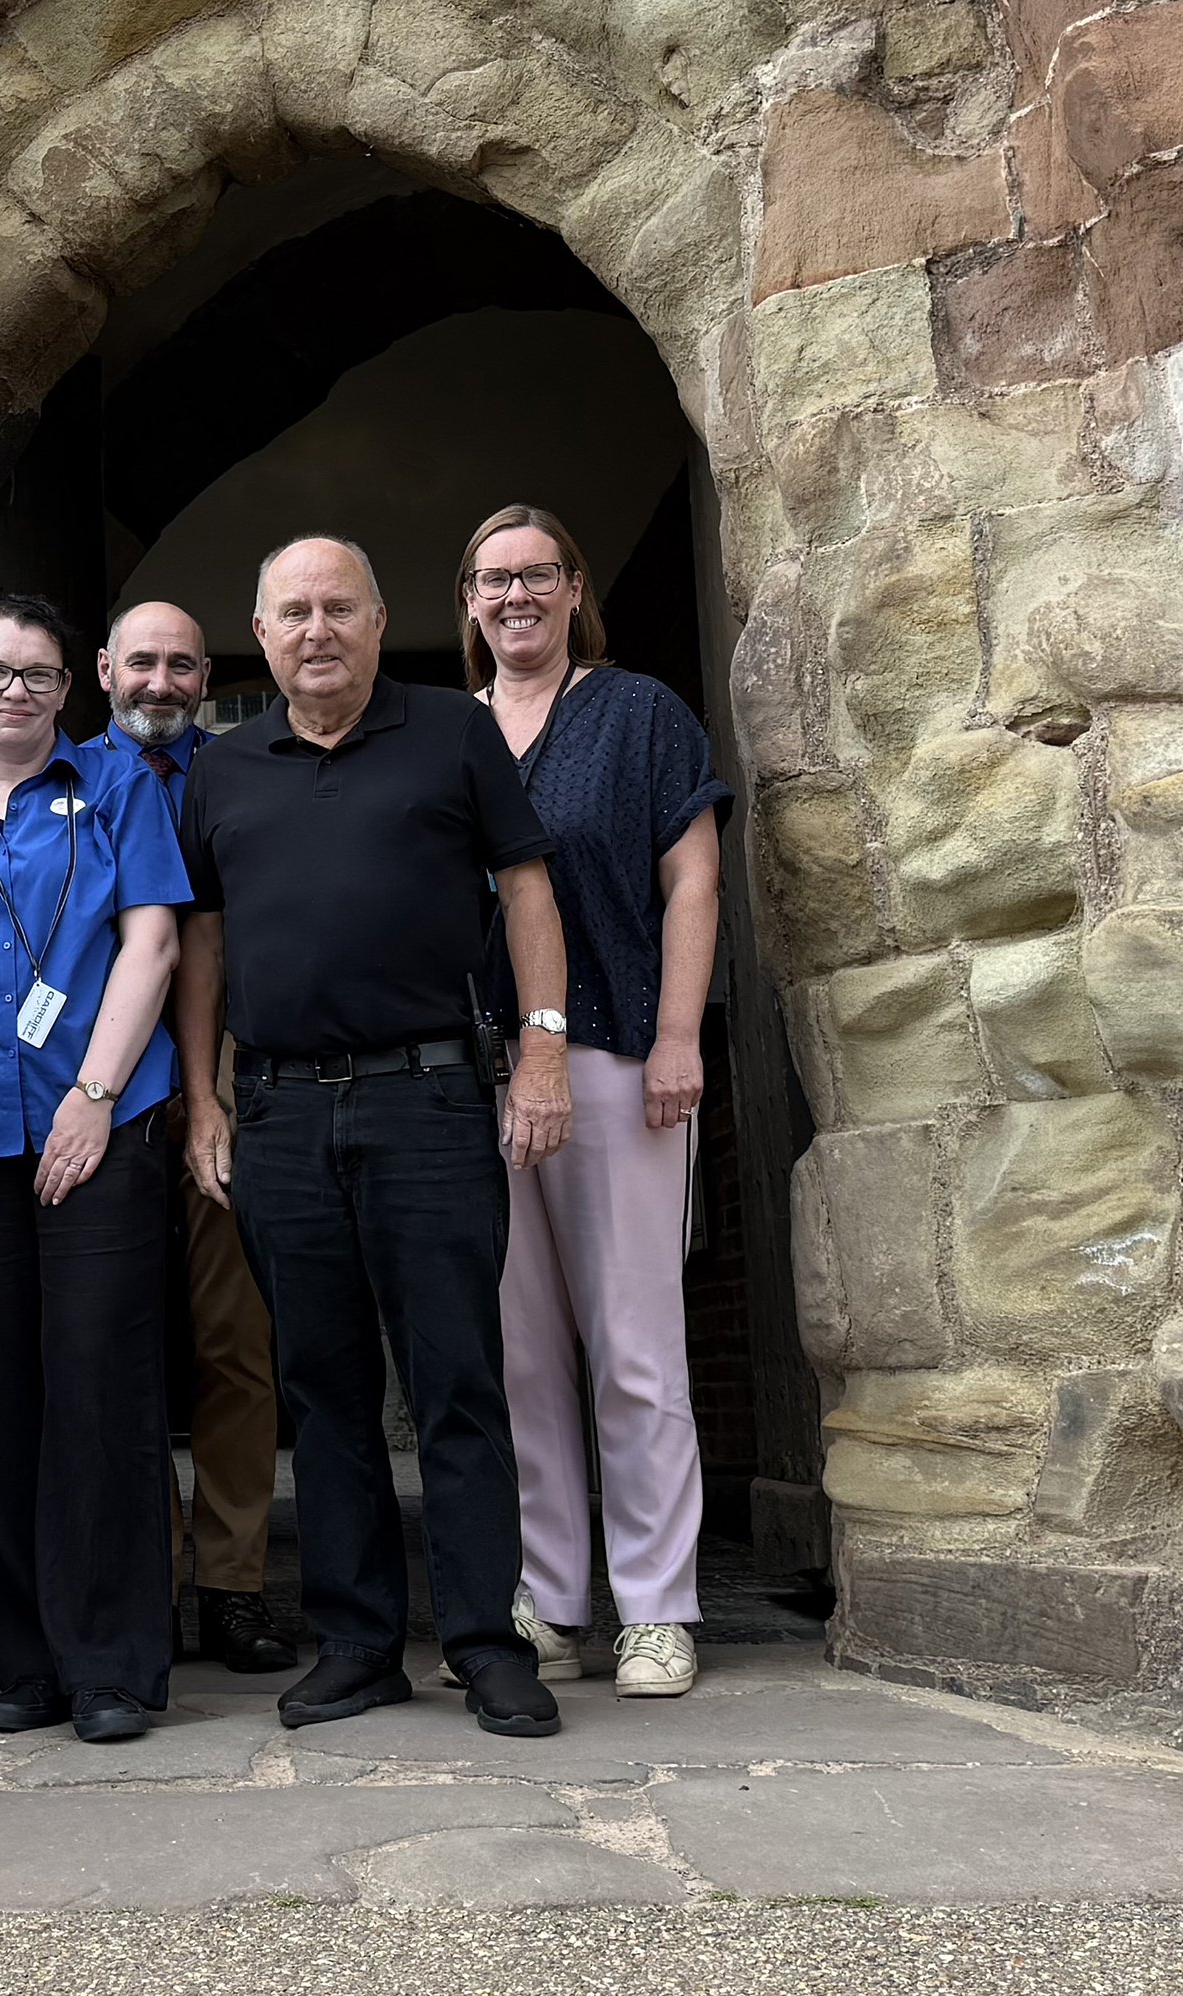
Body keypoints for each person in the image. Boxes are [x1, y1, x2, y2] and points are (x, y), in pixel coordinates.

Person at [174, 534, 573, 1741]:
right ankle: (355, 1642)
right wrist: (204, 1095)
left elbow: (528, 890)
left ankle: (484, 1642)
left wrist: (543, 1046)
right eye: (292, 611)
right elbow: (204, 940)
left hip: (432, 1096)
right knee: (323, 1385)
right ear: (262, 630)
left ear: (379, 614)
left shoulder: (453, 731)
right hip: (284, 1110)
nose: (316, 630)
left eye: (338, 607)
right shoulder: (224, 770)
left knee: (457, 1379)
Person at [0, 592, 187, 1745]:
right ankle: (27, 1658)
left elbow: (153, 938)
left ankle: (111, 1660)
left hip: (99, 1126)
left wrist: (94, 1094)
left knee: (98, 1390)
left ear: (70, 690)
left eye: (37, 674)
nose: (14, 691)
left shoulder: (116, 785)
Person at [459, 504, 730, 1699]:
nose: (515, 596)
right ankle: (551, 1594)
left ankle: (659, 1604)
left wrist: (680, 1033)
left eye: (536, 575)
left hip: (620, 1054)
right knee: (518, 1353)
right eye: (492, 579)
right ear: (467, 601)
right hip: (475, 1077)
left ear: (574, 588)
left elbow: (694, 876)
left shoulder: (639, 713)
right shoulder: (442, 733)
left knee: (632, 1343)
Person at [81, 600, 294, 1678]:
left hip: (229, 1093)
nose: (159, 682)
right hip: (100, 1101)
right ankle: (140, 1585)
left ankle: (233, 1584)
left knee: (234, 1344)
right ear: (104, 666)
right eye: (142, 662)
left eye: (181, 664)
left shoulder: (250, 770)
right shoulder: (57, 779)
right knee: (114, 1349)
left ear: (206, 672)